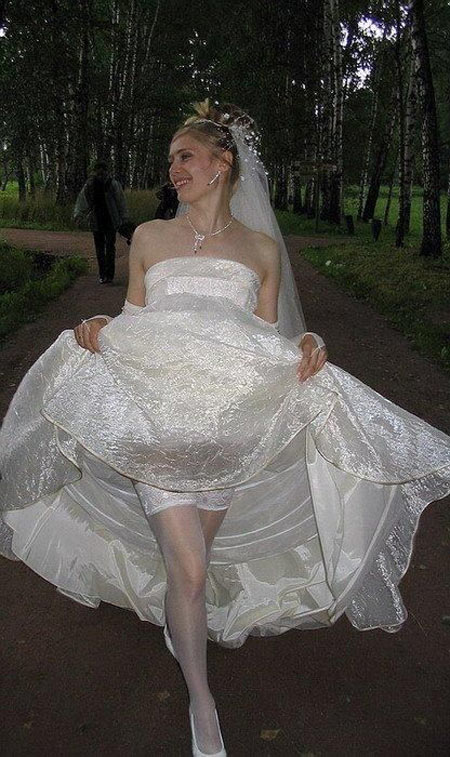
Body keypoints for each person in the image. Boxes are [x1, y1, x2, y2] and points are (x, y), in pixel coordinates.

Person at [1, 99, 449, 757]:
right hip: (157, 429)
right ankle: (202, 703)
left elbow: (265, 345)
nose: (174, 169)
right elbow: (134, 325)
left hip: (227, 435)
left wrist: (309, 342)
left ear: (222, 163)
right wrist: (100, 326)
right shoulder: (150, 237)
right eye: (172, 159)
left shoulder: (262, 249)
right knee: (189, 571)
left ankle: (177, 625)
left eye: (185, 156)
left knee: (194, 563)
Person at [74, 160, 130, 284]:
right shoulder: (90, 185)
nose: (100, 174)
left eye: (102, 171)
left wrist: (124, 218)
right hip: (98, 220)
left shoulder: (112, 184)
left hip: (109, 220)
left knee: (108, 247)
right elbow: (83, 200)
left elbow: (120, 202)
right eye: (98, 171)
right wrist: (78, 215)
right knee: (102, 248)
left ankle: (107, 275)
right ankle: (104, 274)